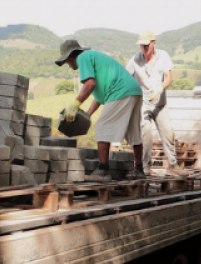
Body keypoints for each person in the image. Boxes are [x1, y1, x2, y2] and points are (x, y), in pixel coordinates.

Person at [55, 39, 146, 182]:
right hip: (133, 90)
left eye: (66, 61)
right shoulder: (94, 58)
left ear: (70, 56)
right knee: (133, 131)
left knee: (102, 126)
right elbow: (99, 96)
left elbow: (90, 84)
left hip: (120, 91)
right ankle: (139, 169)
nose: (67, 64)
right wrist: (87, 115)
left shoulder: (83, 58)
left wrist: (75, 104)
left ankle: (103, 170)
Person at [125, 31, 182, 177]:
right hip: (143, 102)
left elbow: (168, 77)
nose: (143, 48)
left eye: (146, 45)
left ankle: (173, 165)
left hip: (160, 102)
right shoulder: (135, 60)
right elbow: (125, 77)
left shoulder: (163, 56)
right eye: (141, 45)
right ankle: (145, 166)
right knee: (146, 132)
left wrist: (160, 88)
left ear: (153, 43)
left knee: (168, 132)